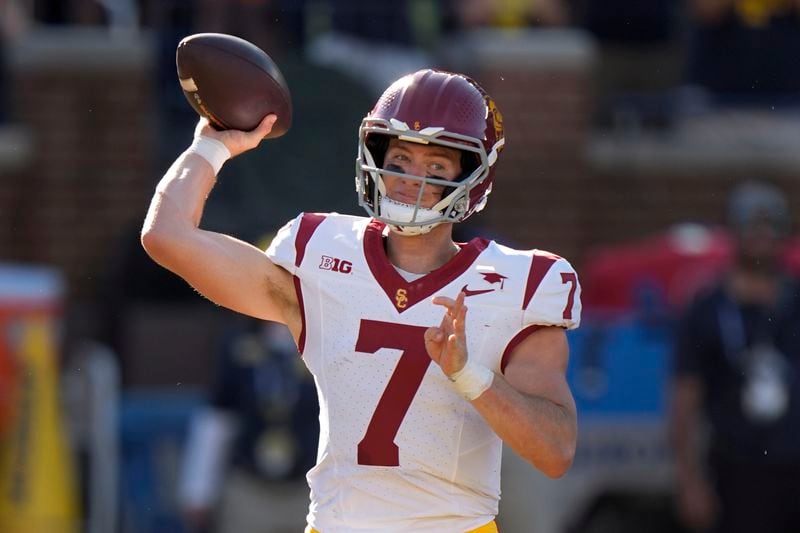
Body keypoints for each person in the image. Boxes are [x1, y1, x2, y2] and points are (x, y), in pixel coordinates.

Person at [142, 68, 581, 532]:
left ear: (472, 177)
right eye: (401, 158)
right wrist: (211, 146)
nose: (412, 179)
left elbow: (555, 452)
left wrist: (468, 375)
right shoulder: (321, 254)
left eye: (436, 167)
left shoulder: (518, 283)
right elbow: (166, 236)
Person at [670, 180, 800, 533]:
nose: (762, 237)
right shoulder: (708, 309)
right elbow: (684, 399)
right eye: (752, 227)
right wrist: (690, 481)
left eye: (772, 227)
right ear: (734, 232)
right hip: (735, 469)